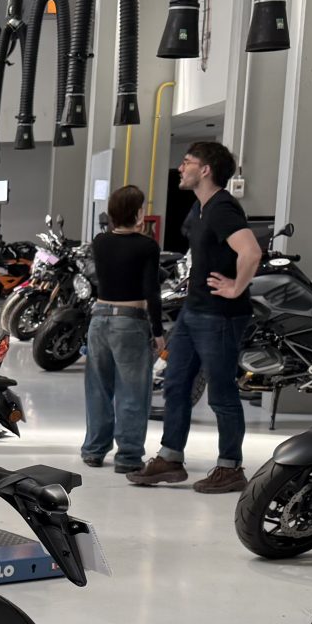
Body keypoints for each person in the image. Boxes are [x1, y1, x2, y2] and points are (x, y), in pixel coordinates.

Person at [130, 139, 262, 493]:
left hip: (220, 314)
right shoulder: (200, 208)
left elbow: (251, 252)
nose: (181, 167)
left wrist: (236, 287)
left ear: (205, 170)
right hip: (194, 310)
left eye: (187, 162)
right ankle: (170, 458)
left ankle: (230, 467)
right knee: (176, 385)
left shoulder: (222, 208)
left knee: (221, 393)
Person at [80, 185, 159, 474]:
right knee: (132, 390)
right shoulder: (147, 246)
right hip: (130, 320)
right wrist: (159, 331)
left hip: (99, 318)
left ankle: (94, 450)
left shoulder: (100, 242)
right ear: (138, 212)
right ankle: (128, 456)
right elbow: (151, 291)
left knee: (98, 388)